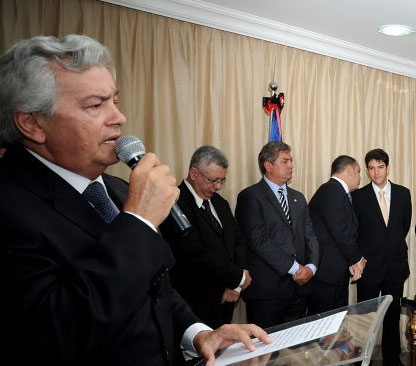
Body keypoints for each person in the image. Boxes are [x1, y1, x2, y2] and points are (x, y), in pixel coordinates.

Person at [0, 34, 269, 366]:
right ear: (32, 123)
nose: (119, 117)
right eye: (95, 105)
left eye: (114, 100)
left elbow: (154, 287)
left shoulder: (116, 188)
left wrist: (198, 333)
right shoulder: (9, 204)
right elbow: (56, 333)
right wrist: (139, 221)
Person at [160, 146, 251, 328]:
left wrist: (235, 284)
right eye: (213, 180)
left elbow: (238, 241)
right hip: (196, 300)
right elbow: (194, 253)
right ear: (194, 173)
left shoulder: (219, 202)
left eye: (221, 181)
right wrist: (237, 277)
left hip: (229, 296)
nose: (217, 186)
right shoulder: (174, 204)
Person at [235, 141, 319, 328]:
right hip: (267, 292)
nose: (291, 166)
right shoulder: (250, 197)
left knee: (294, 349)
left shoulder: (298, 197)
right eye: (285, 161)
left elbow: (310, 235)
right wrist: (294, 267)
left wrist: (311, 268)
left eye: (291, 160)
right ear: (268, 165)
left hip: (299, 290)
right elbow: (258, 241)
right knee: (266, 353)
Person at [351, 148, 411, 366]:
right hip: (368, 268)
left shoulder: (404, 193)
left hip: (395, 265)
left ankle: (392, 358)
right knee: (364, 318)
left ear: (388, 167)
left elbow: (402, 228)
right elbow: (355, 231)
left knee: (393, 314)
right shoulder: (357, 196)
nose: (376, 173)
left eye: (380, 167)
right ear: (367, 170)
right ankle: (360, 360)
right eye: (371, 168)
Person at [307, 155, 366, 315]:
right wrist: (357, 259)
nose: (360, 177)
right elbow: (339, 230)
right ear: (350, 170)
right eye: (359, 172)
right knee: (321, 326)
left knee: (334, 326)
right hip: (327, 273)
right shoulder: (332, 190)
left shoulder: (337, 191)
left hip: (335, 271)